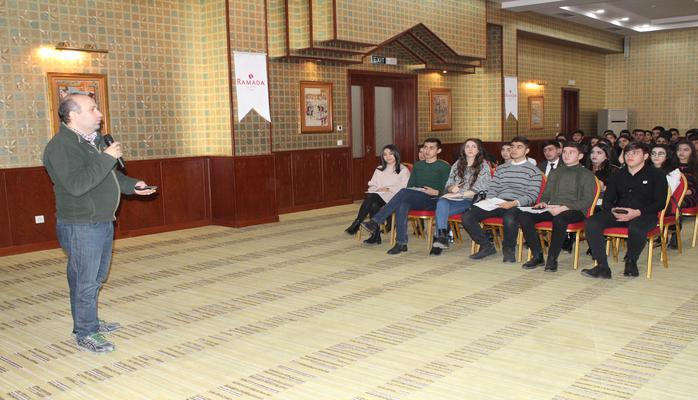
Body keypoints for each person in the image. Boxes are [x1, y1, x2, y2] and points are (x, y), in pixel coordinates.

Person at [43, 94, 156, 353]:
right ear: (73, 116)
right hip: (81, 224)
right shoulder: (61, 146)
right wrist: (106, 157)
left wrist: (133, 185)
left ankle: (87, 321)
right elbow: (77, 185)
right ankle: (86, 332)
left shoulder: (91, 142)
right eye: (92, 109)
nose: (100, 114)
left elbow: (108, 177)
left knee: (93, 277)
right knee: (86, 280)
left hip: (101, 220)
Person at [581, 142, 668, 279]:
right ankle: (602, 266)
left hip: (644, 213)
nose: (630, 156)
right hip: (619, 212)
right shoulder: (618, 174)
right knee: (592, 222)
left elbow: (660, 203)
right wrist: (613, 210)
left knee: (637, 227)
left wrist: (637, 212)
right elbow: (607, 201)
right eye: (627, 153)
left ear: (645, 156)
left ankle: (631, 262)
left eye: (635, 153)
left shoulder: (657, 174)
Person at [361, 138, 450, 255]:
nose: (427, 150)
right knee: (402, 203)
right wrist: (417, 190)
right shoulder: (418, 166)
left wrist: (436, 192)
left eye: (431, 148)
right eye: (425, 147)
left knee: (403, 193)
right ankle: (401, 243)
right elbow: (410, 186)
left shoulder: (444, 167)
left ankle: (376, 221)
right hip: (418, 197)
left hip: (435, 200)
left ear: (438, 151)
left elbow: (448, 189)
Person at [461, 136, 543, 262]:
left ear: (527, 151)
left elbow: (532, 195)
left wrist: (514, 203)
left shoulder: (534, 171)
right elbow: (493, 188)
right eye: (512, 147)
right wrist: (489, 200)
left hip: (519, 204)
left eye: (519, 147)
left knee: (509, 218)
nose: (514, 150)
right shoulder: (501, 168)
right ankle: (486, 246)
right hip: (498, 201)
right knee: (468, 216)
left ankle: (509, 250)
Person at [518, 142, 596, 271]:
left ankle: (552, 258)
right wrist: (543, 202)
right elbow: (546, 194)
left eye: (571, 152)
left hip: (574, 210)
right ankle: (537, 256)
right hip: (553, 208)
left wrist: (564, 207)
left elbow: (587, 201)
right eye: (564, 152)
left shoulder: (587, 174)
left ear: (580, 156)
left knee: (559, 219)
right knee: (524, 216)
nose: (566, 155)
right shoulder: (555, 172)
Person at [430, 139, 491, 255]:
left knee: (440, 211)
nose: (470, 149)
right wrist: (451, 188)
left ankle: (439, 238)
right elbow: (448, 184)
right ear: (463, 149)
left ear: (478, 150)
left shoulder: (484, 166)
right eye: (467, 146)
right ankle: (442, 237)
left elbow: (480, 188)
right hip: (454, 199)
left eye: (474, 146)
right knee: (442, 203)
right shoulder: (457, 164)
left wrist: (460, 194)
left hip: (471, 200)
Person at [344, 144, 410, 244]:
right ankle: (375, 236)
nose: (388, 156)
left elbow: (405, 187)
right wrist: (377, 188)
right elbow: (372, 184)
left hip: (394, 197)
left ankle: (357, 223)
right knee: (373, 203)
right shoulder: (379, 169)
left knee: (371, 198)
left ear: (396, 154)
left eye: (390, 154)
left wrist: (388, 189)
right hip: (379, 196)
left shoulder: (403, 170)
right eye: (385, 154)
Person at [676, 139, 698, 208]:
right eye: (679, 149)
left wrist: (683, 192)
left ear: (692, 152)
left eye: (685, 150)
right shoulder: (671, 167)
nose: (681, 152)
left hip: (689, 197)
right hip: (671, 195)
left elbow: (695, 189)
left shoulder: (695, 167)